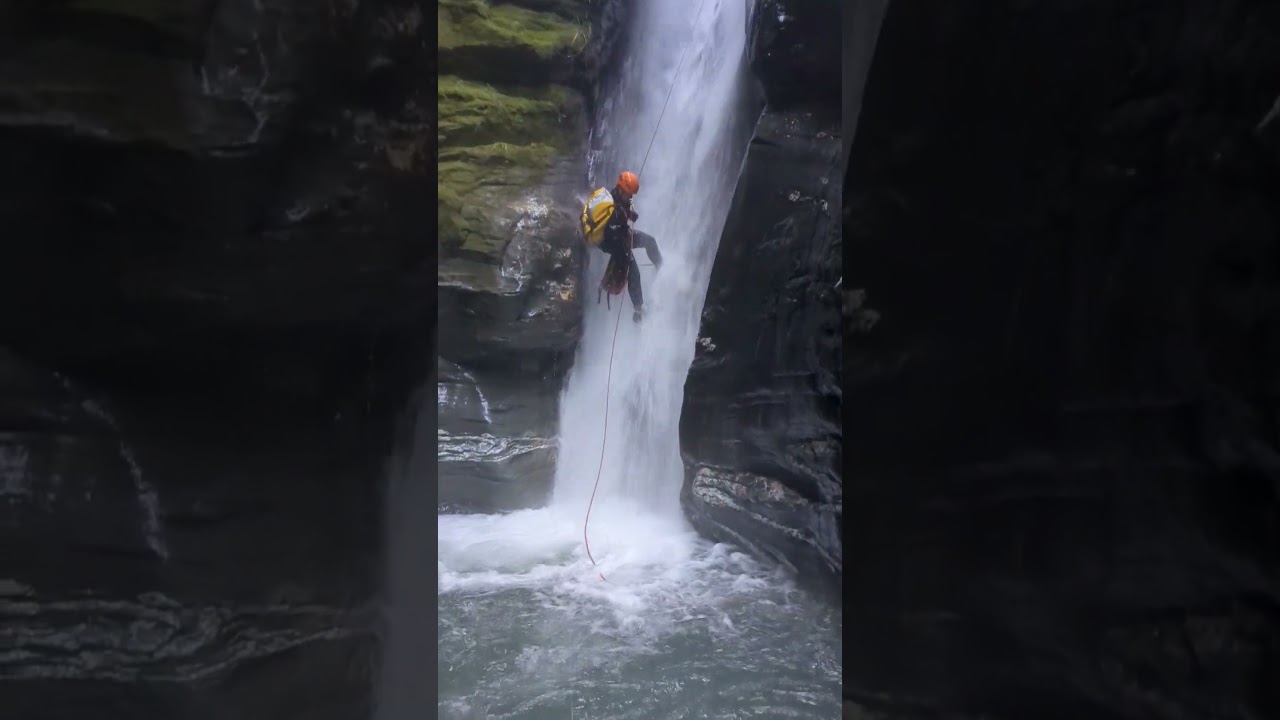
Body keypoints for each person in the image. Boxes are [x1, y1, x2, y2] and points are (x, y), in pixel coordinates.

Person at [595, 171, 663, 322]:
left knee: (649, 241)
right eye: (628, 194)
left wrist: (631, 213)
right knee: (633, 270)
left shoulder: (621, 199)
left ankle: (660, 266)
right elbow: (612, 233)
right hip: (611, 242)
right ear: (620, 189)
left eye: (631, 194)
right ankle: (639, 308)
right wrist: (624, 247)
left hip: (621, 236)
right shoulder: (611, 208)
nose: (630, 197)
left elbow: (627, 207)